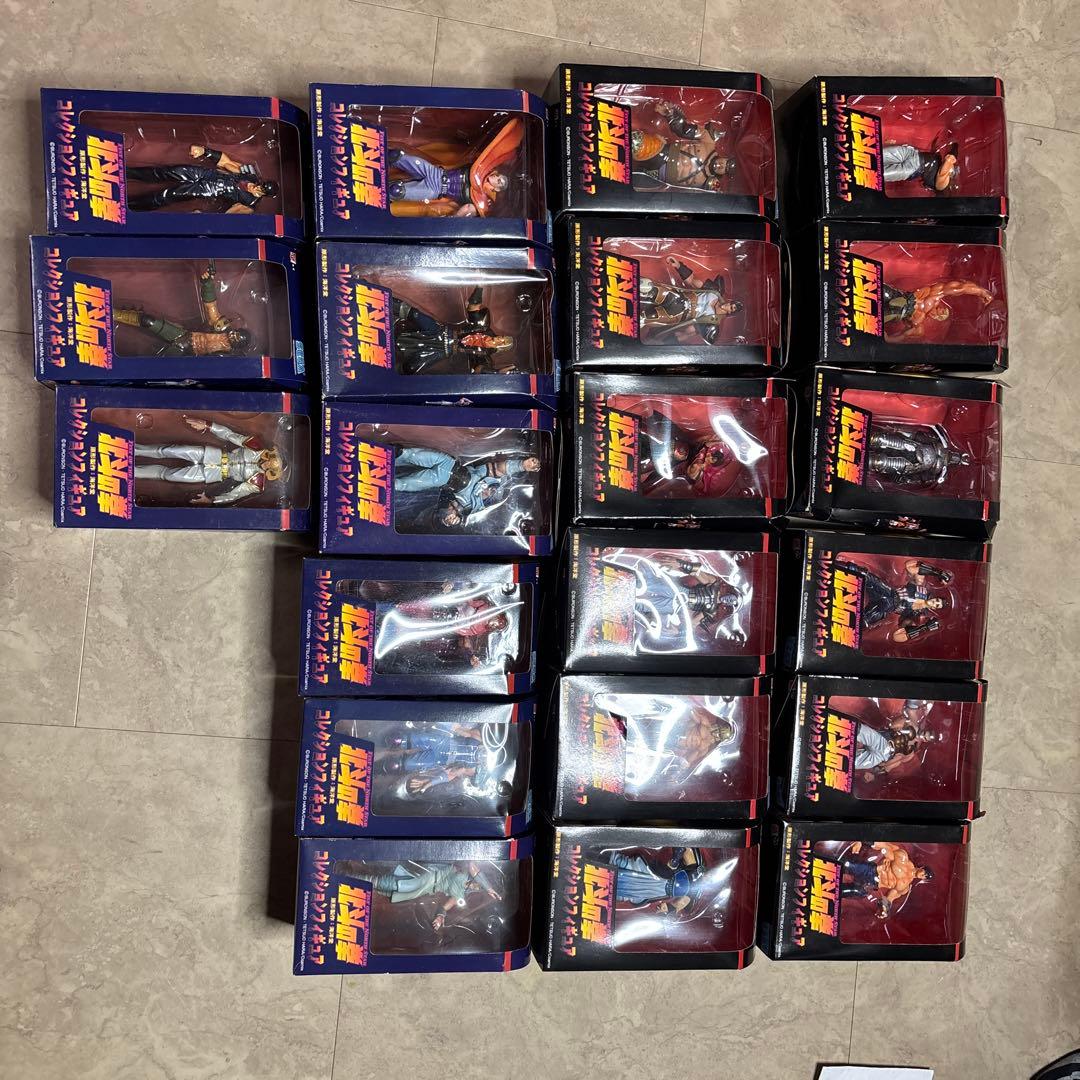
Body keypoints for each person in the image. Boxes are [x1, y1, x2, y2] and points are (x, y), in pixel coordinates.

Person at [603, 550, 743, 654]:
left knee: (645, 605)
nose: (728, 600)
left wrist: (681, 630)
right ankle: (615, 580)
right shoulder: (715, 585)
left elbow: (693, 623)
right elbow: (697, 572)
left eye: (730, 602)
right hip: (681, 591)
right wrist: (681, 564)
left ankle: (613, 603)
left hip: (678, 605)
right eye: (731, 597)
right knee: (649, 584)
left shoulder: (713, 611)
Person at [386, 117, 523, 218]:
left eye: (499, 181)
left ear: (497, 189)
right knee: (396, 155)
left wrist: (455, 218)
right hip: (436, 173)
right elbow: (480, 153)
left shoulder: (480, 198)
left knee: (397, 191)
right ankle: (378, 156)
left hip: (435, 190)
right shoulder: (480, 168)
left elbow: (469, 208)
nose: (495, 177)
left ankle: (379, 194)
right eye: (498, 176)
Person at [133, 415, 284, 506]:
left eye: (272, 468)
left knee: (168, 475)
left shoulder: (257, 482)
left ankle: (133, 472)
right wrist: (208, 425)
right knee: (168, 450)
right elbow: (229, 435)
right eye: (271, 460)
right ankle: (134, 449)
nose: (268, 464)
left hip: (213, 474)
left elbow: (235, 495)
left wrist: (212, 500)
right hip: (212, 455)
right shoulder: (255, 446)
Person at [114, 261, 252, 356]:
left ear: (238, 345)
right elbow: (211, 307)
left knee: (157, 368)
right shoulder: (221, 327)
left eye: (236, 338)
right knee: (147, 321)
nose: (233, 335)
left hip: (185, 352)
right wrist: (208, 284)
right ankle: (114, 314)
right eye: (236, 333)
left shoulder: (224, 356)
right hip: (183, 336)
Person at [393, 446, 540, 530]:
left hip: (441, 479)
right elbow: (501, 469)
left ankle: (392, 483)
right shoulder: (486, 477)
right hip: (449, 463)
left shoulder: (472, 504)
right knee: (413, 454)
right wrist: (522, 465)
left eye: (491, 495)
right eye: (492, 490)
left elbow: (453, 510)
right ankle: (397, 454)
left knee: (407, 483)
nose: (488, 492)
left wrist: (451, 518)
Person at [332, 859, 500, 933]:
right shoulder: (465, 872)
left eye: (480, 888)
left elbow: (446, 906)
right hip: (431, 874)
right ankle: (349, 875)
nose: (479, 887)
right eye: (481, 884)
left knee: (397, 892)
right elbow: (472, 865)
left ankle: (350, 878)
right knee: (410, 886)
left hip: (428, 888)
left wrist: (440, 917)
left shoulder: (461, 893)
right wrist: (489, 887)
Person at [387, 285, 516, 374]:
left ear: (501, 348)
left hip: (442, 350)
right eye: (502, 338)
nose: (500, 340)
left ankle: (385, 372)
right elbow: (473, 307)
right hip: (441, 331)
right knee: (415, 314)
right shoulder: (482, 327)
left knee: (410, 368)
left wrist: (498, 372)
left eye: (503, 343)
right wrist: (480, 285)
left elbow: (479, 369)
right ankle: (384, 301)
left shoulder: (484, 356)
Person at [126, 144, 278, 214]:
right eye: (260, 184)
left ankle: (129, 206)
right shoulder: (250, 175)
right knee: (168, 171)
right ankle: (126, 172)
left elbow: (226, 218)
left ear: (263, 194)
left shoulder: (249, 204)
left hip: (205, 190)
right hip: (205, 174)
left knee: (167, 195)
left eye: (260, 190)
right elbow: (226, 162)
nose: (255, 187)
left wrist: (203, 219)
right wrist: (204, 151)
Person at [833, 558, 952, 645]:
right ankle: (833, 566)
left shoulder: (916, 614)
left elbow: (897, 636)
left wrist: (924, 628)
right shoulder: (921, 587)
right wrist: (938, 572)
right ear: (935, 597)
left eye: (937, 605)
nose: (935, 603)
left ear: (934, 608)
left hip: (886, 608)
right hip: (888, 592)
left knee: (861, 624)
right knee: (863, 573)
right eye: (937, 600)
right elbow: (909, 566)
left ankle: (834, 623)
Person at [632, 101, 737, 192]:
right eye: (726, 163)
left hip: (659, 178)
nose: (721, 166)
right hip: (661, 151)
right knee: (635, 141)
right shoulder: (708, 142)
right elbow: (684, 129)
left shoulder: (709, 184)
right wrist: (671, 115)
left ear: (723, 174)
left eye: (725, 169)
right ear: (725, 157)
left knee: (632, 185)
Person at [639, 255, 743, 344]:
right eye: (731, 304)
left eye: (731, 308)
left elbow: (688, 332)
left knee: (645, 318)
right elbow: (692, 281)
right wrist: (679, 266)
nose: (728, 305)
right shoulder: (714, 292)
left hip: (677, 314)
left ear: (730, 312)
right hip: (677, 297)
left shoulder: (712, 321)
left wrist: (665, 343)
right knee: (648, 287)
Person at [854, 700, 945, 782]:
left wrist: (878, 772)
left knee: (856, 762)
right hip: (883, 741)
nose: (924, 736)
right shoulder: (912, 725)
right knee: (863, 733)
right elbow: (894, 724)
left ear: (926, 741)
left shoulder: (911, 753)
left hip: (883, 756)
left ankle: (848, 759)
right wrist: (901, 725)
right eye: (927, 733)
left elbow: (896, 761)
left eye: (927, 738)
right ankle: (853, 728)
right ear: (926, 729)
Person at [840, 841, 934, 920]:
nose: (924, 875)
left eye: (926, 877)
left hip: (871, 884)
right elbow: (885, 845)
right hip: (871, 871)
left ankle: (832, 891)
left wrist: (884, 909)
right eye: (925, 872)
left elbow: (889, 898)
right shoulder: (903, 858)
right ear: (922, 867)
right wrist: (862, 841)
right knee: (847, 865)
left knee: (857, 892)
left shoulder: (905, 888)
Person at [601, 846, 706, 914]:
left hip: (658, 889)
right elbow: (685, 846)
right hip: (659, 875)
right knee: (628, 866)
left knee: (627, 891)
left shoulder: (696, 891)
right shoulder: (697, 868)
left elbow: (680, 904)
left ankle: (604, 889)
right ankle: (604, 859)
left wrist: (668, 908)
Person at [882, 278, 994, 340]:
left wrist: (888, 339)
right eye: (943, 311)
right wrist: (980, 291)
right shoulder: (934, 297)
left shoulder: (919, 321)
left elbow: (904, 335)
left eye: (941, 316)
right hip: (896, 297)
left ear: (936, 318)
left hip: (893, 313)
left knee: (892, 313)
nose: (939, 313)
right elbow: (959, 288)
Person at [867, 422, 971, 488]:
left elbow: (921, 478)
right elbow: (918, 436)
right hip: (910, 446)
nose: (952, 458)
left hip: (909, 465)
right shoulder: (939, 443)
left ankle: (866, 461)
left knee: (880, 462)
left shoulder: (939, 473)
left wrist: (906, 480)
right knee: (879, 439)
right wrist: (901, 431)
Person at [882, 140, 958, 192]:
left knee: (879, 175)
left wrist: (954, 150)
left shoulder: (942, 185)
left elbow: (948, 160)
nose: (952, 166)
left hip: (912, 169)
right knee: (878, 155)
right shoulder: (939, 160)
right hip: (911, 153)